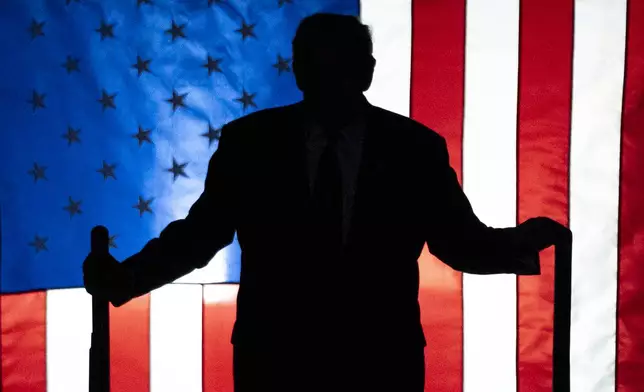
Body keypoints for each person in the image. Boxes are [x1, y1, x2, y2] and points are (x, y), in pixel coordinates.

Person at [83, 12, 571, 392]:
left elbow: (458, 241)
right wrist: (129, 277)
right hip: (276, 359)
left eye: (342, 63)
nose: (330, 75)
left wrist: (521, 244)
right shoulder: (250, 143)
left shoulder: (413, 149)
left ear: (368, 71)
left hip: (378, 362)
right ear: (298, 70)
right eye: (319, 63)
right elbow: (200, 235)